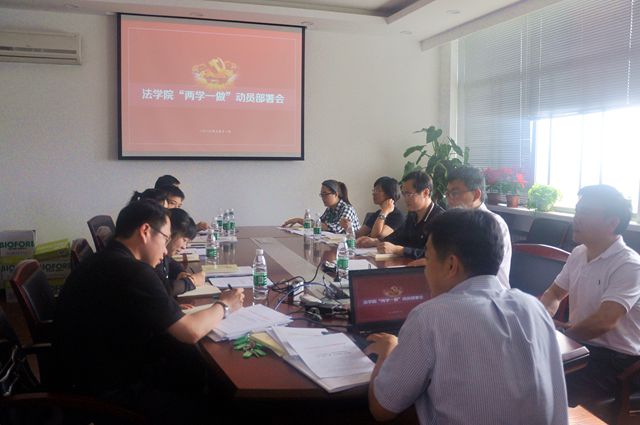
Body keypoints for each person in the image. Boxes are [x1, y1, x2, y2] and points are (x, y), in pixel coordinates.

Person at [366, 209, 568, 425]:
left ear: (451, 265)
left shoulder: (430, 317)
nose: (425, 269)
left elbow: (382, 409)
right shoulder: (534, 308)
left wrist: (388, 352)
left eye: (428, 258)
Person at [54, 200, 244, 424]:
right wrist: (225, 305)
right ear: (145, 231)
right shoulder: (133, 272)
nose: (165, 251)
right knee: (213, 397)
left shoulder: (107, 259)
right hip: (106, 392)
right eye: (165, 239)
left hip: (88, 374)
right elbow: (190, 332)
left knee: (194, 366)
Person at [540, 185, 640, 406]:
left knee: (543, 385)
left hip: (615, 361)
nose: (576, 218)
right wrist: (540, 319)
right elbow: (554, 293)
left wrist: (560, 337)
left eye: (585, 213)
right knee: (522, 368)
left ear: (612, 222)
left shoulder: (629, 265)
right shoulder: (578, 253)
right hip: (579, 345)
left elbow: (604, 321)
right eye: (577, 211)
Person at [441, 165, 511, 288]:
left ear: (476, 194)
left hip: (489, 293)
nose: (449, 199)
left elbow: (480, 274)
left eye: (455, 193)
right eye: (447, 193)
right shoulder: (455, 220)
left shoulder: (492, 224)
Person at [356, 171, 444, 259]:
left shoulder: (441, 219)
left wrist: (399, 250)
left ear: (425, 193)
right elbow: (399, 237)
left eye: (408, 194)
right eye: (404, 194)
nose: (405, 199)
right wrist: (376, 242)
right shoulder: (412, 214)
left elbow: (435, 254)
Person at [157, 208, 205, 297]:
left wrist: (181, 273)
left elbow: (171, 262)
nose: (184, 247)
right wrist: (192, 281)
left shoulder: (164, 255)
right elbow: (162, 290)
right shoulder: (153, 258)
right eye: (184, 240)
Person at [282, 179, 360, 233]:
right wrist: (299, 220)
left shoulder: (347, 208)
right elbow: (319, 223)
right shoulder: (330, 209)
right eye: (321, 194)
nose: (322, 197)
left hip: (351, 246)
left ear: (336, 194)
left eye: (325, 194)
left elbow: (336, 228)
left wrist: (300, 220)